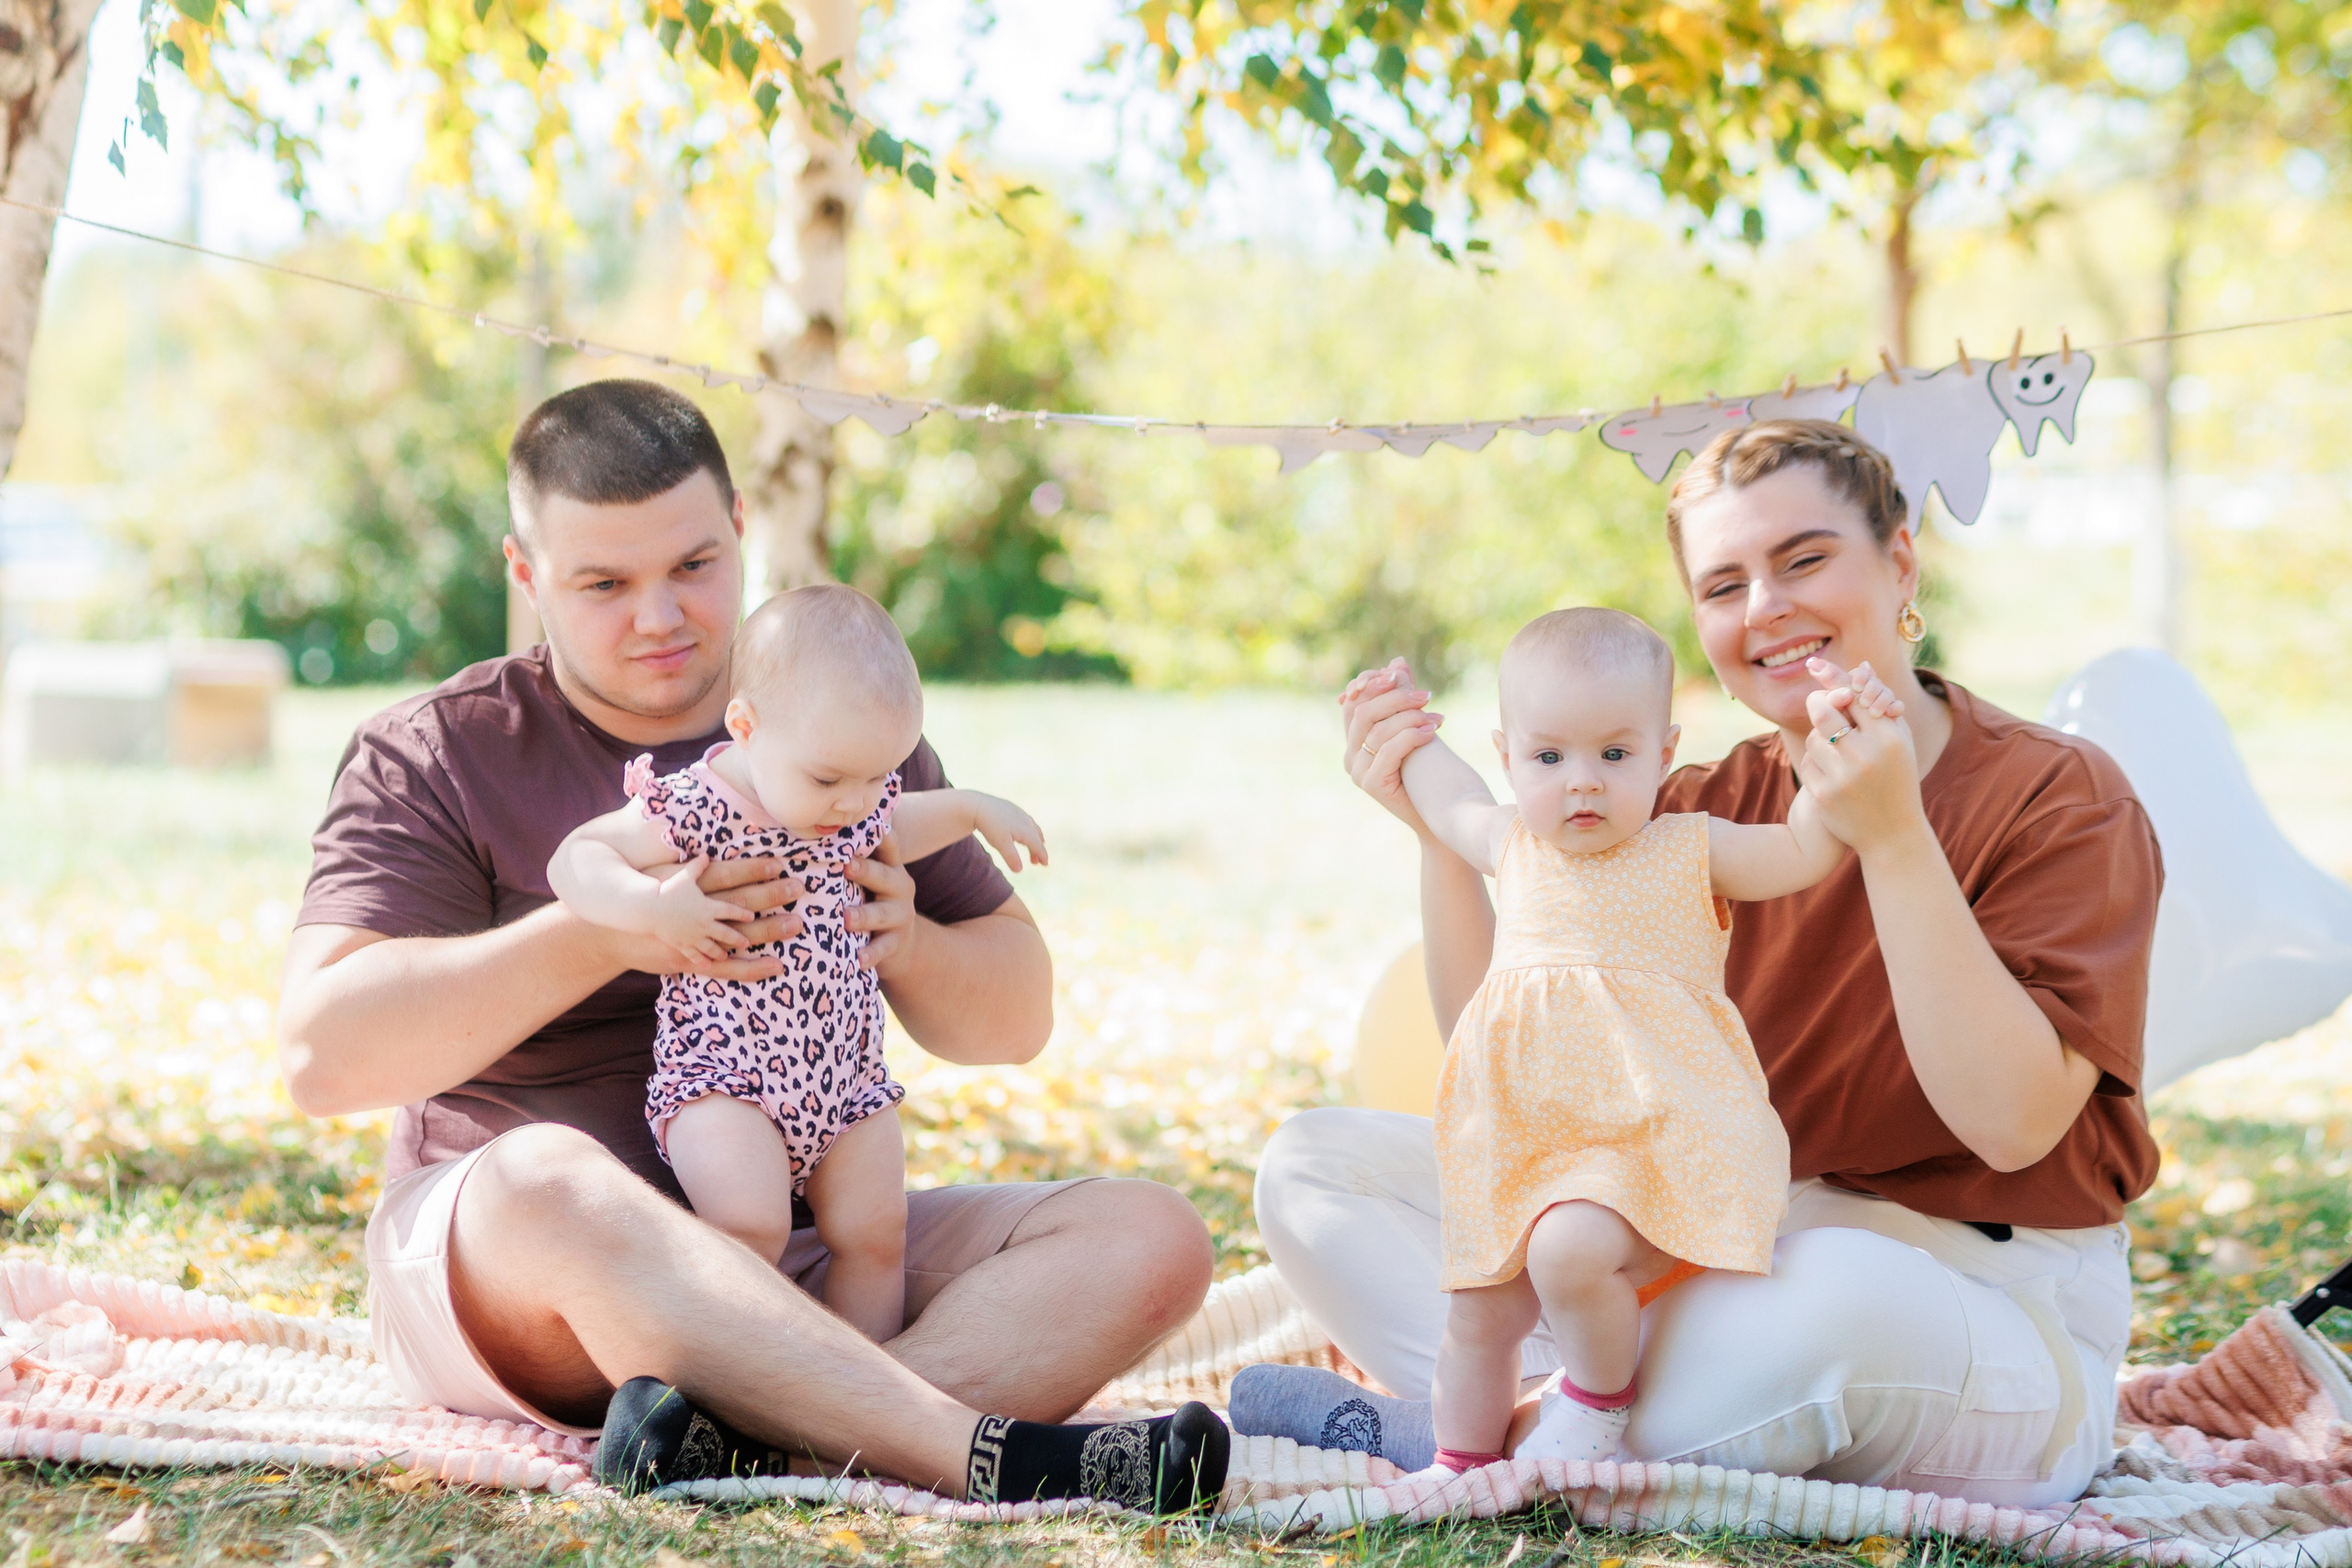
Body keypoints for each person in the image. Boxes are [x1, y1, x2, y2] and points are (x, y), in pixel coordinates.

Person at [279, 378, 1226, 1509]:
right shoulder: (435, 751)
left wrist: (905, 938)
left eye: (691, 567)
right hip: (523, 1269)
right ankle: (972, 1451)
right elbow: (321, 1058)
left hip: (789, 1248)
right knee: (547, 1181)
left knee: (1150, 1236)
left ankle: (770, 1455)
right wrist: (622, 929)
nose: (659, 618)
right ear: (526, 577)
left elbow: (1017, 1019)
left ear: (739, 530)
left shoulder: (832, 722)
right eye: (602, 584)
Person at [1232, 418, 2161, 1508]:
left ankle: (1465, 1428)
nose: (1764, 607)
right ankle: (1558, 1416)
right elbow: (1497, 1055)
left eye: (1803, 560)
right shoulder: (1675, 810)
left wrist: (1893, 836)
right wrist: (1438, 840)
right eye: (1724, 586)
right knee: (1317, 1166)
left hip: (1971, 1290)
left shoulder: (2058, 794)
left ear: (1899, 563)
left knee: (1835, 1296)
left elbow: (2007, 1122)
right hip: (1713, 1235)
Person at [1397, 606, 1888, 1472]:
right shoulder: (1510, 840)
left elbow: (1805, 848)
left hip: (1649, 1130)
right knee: (1480, 1313)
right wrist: (1400, 722)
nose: (1582, 782)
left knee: (1569, 1248)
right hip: (1519, 1134)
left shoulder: (1688, 849)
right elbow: (1446, 796)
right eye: (1549, 758)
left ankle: (1593, 1412)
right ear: (1509, 755)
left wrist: (1837, 749)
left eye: (1614, 756)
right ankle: (1458, 1468)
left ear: (1664, 754)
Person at [548, 582, 1048, 1345]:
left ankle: (861, 1399)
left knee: (878, 1233)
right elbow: (577, 857)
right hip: (727, 1073)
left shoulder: (847, 799)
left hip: (842, 1077)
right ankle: (734, 1386)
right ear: (746, 727)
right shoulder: (700, 805)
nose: (855, 804)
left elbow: (900, 820)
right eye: (828, 779)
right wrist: (652, 909)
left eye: (880, 775)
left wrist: (974, 807)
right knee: (749, 1228)